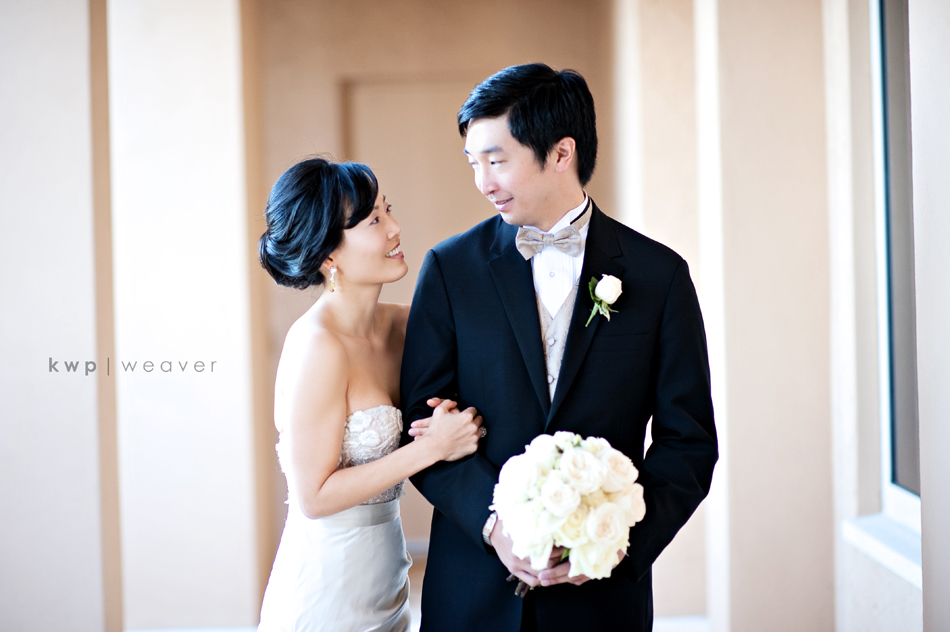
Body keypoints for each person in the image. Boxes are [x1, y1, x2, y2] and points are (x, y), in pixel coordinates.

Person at [400, 63, 718, 631]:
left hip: (602, 601)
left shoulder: (659, 276)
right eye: (474, 163)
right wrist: (495, 525)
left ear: (561, 153)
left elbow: (687, 441)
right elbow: (418, 425)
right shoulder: (450, 269)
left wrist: (612, 543)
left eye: (497, 161)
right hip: (473, 592)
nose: (483, 183)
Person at [256, 157, 483, 632]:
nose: (395, 228)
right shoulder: (318, 346)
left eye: (388, 210)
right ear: (328, 255)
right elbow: (313, 496)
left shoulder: (403, 326)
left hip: (387, 579)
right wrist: (432, 448)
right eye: (374, 220)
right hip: (325, 591)